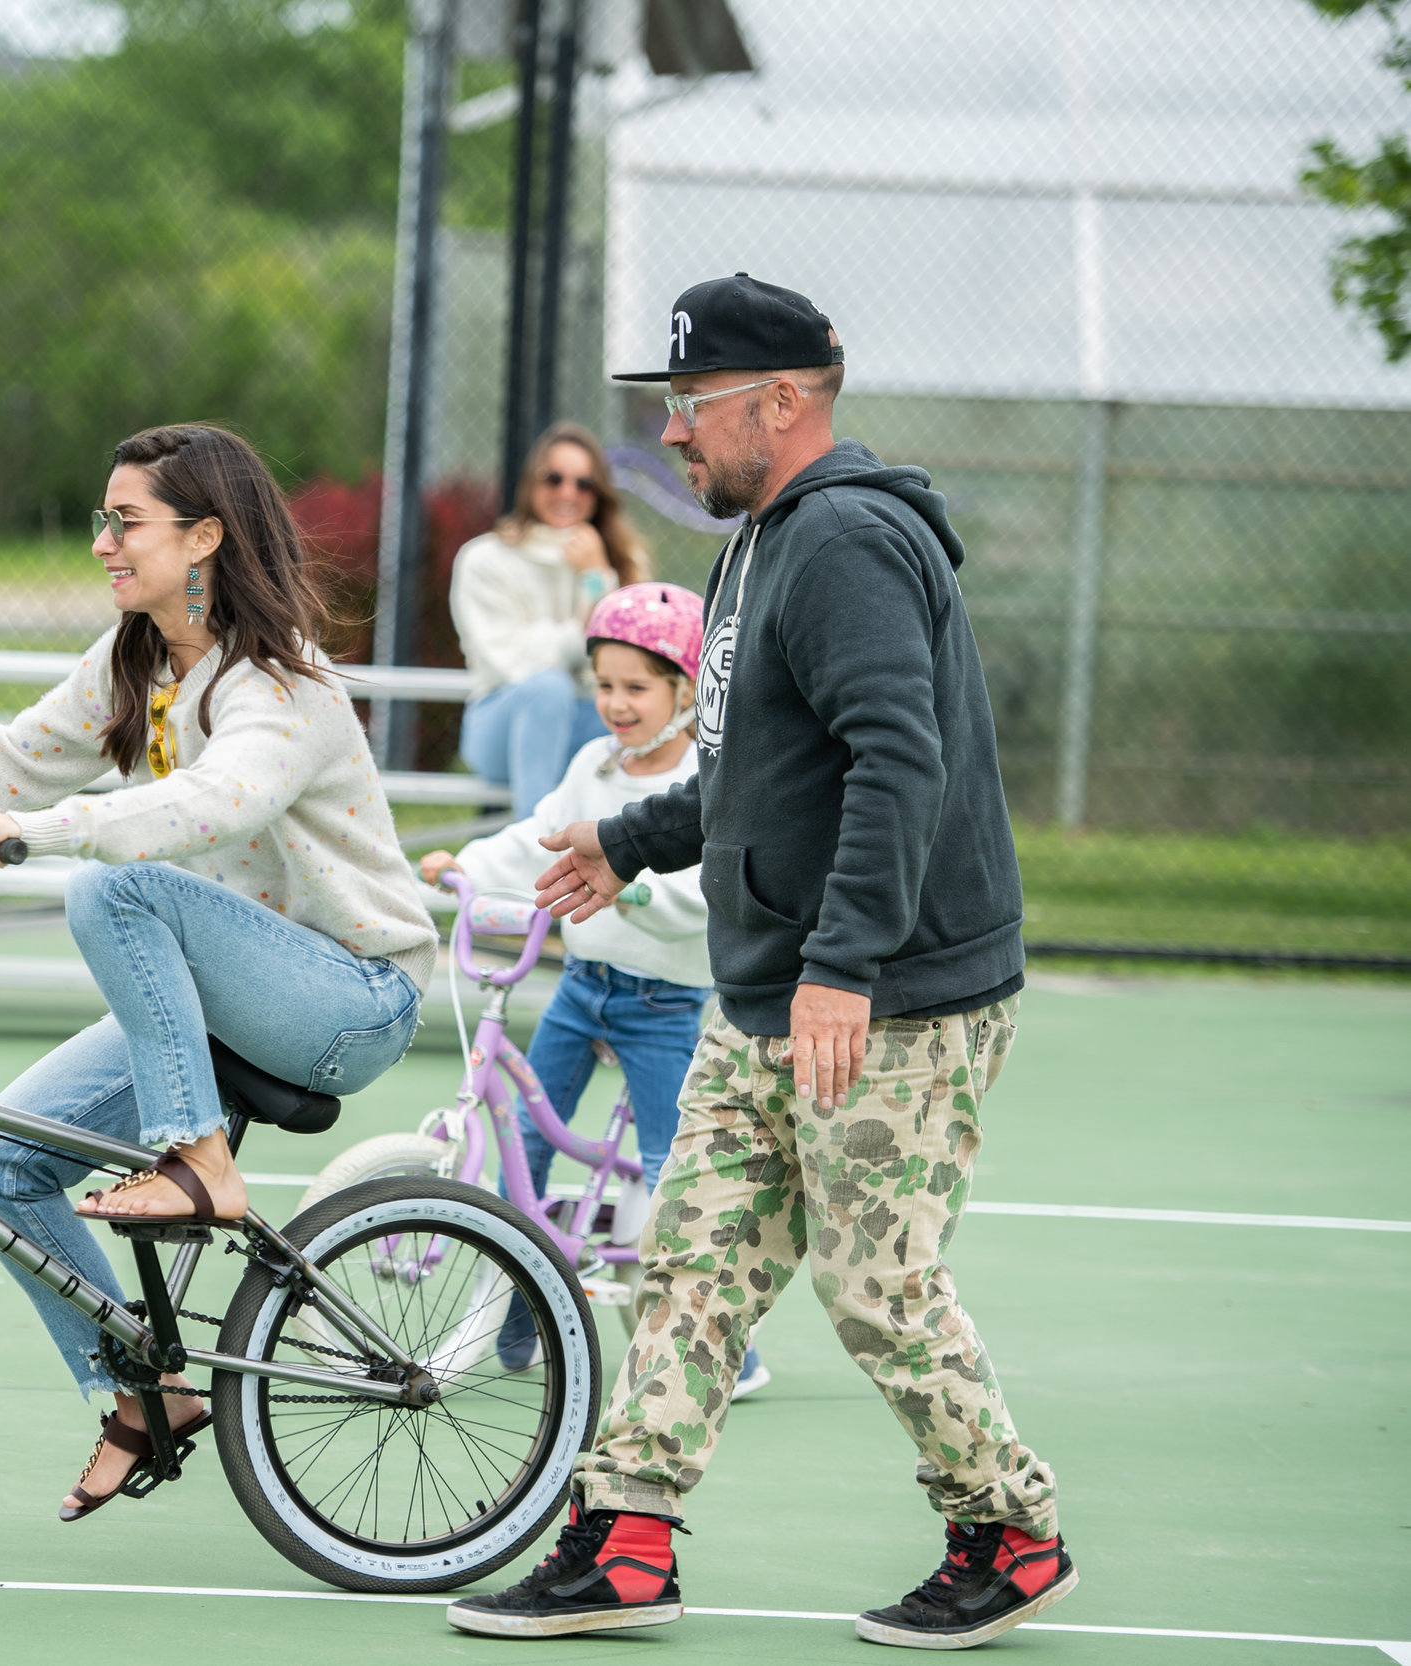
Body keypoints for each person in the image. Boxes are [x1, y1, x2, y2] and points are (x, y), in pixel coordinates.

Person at [445, 275, 1072, 1651]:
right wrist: (634, 834)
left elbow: (895, 758)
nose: (670, 435)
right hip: (775, 986)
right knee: (692, 1256)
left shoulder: (843, 539)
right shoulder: (763, 540)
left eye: (690, 406)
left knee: (874, 1280)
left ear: (778, 403)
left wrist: (845, 965)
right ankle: (623, 1540)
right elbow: (753, 763)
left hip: (889, 994)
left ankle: (1010, 1532)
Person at [0, 423, 436, 1525]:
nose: (102, 544)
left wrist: (48, 830)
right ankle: (144, 1390)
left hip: (350, 998)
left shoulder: (278, 687)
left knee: (113, 886)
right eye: (100, 520)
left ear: (204, 537)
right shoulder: (135, 659)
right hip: (229, 1004)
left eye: (127, 522)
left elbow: (218, 802)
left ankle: (198, 1161)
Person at [420, 582, 764, 1396]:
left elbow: (712, 890)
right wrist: (466, 865)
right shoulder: (592, 765)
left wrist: (639, 888)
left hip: (663, 1006)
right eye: (604, 685)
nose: (616, 704)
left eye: (637, 688)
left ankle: (725, 1351)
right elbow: (540, 836)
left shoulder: (702, 779)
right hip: (583, 986)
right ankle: (519, 1311)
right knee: (523, 1148)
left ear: (686, 693)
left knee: (668, 1171)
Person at [452, 423, 654, 817]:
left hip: (586, 720)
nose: (567, 493)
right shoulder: (485, 559)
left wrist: (597, 578)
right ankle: (537, 848)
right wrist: (581, 633)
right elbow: (514, 663)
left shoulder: (618, 559)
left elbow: (630, 661)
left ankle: (630, 853)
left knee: (632, 708)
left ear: (599, 495)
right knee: (548, 689)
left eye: (584, 484)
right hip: (501, 723)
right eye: (554, 479)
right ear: (531, 483)